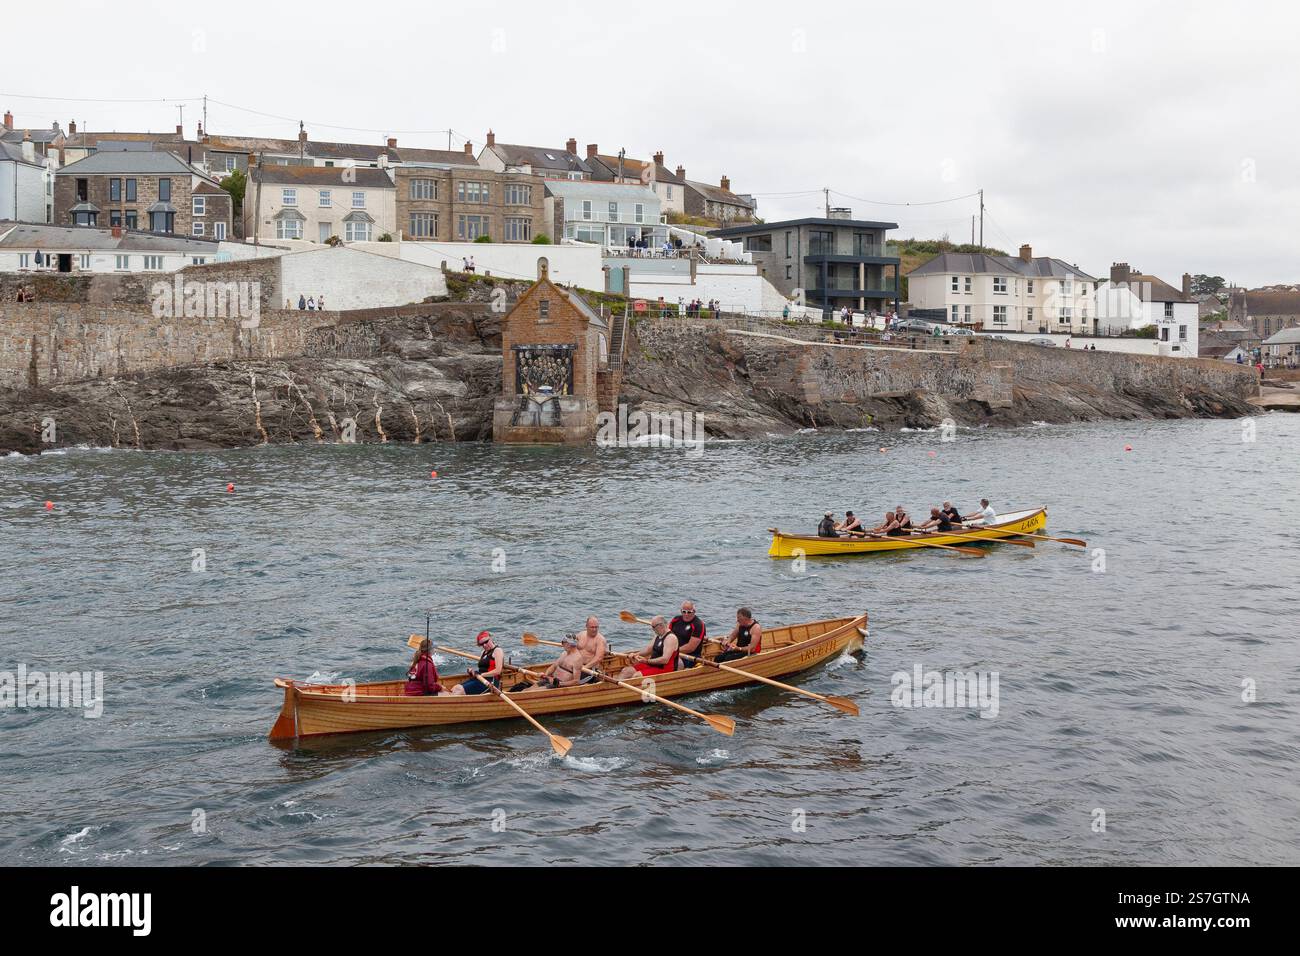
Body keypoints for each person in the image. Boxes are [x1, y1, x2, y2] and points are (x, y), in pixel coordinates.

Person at [451, 630, 505, 695]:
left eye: (486, 642)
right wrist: (473, 672)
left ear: (490, 639)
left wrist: (482, 675)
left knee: (460, 690)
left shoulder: (497, 650)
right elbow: (482, 669)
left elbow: (498, 671)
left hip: (490, 682)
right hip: (480, 678)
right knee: (455, 688)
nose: (484, 645)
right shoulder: (483, 652)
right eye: (482, 644)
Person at [670, 601, 707, 668]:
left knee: (672, 663)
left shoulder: (698, 624)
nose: (686, 614)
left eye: (689, 612)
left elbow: (690, 648)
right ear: (681, 611)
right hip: (674, 652)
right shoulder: (675, 619)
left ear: (694, 611)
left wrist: (673, 650)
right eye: (684, 612)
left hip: (691, 656)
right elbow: (667, 635)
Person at [575, 615, 609, 683]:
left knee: (573, 681)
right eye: (592, 627)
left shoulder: (600, 640)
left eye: (596, 627)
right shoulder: (580, 635)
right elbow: (572, 648)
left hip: (590, 669)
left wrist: (584, 668)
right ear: (586, 626)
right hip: (577, 665)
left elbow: (598, 658)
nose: (594, 629)